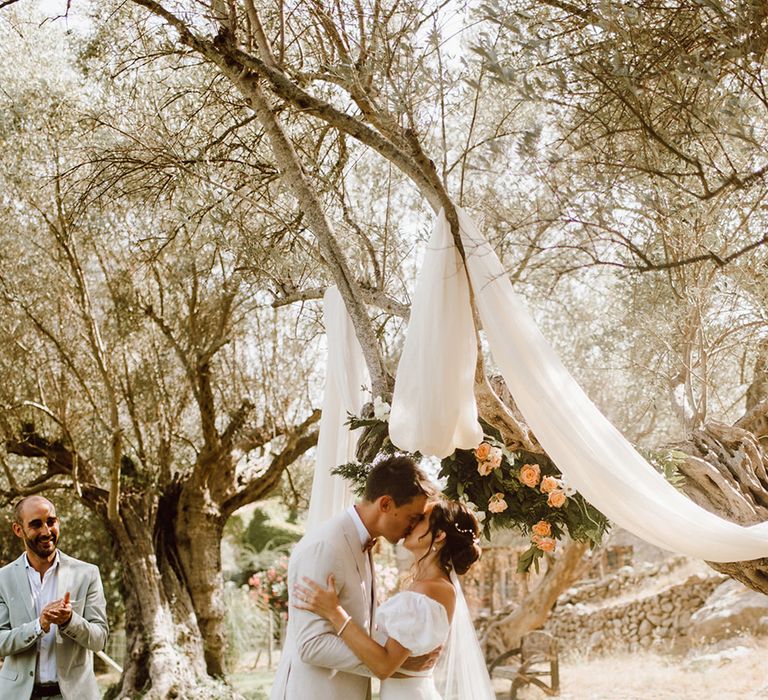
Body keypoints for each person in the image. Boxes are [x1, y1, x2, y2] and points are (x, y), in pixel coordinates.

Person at [269, 454, 438, 700]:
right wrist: (388, 663)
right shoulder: (325, 547)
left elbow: (361, 624)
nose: (413, 527)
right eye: (412, 517)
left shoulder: (362, 542)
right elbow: (311, 645)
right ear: (385, 504)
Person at [293, 498, 496, 700]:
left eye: (421, 519)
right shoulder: (433, 587)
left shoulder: (427, 592)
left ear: (440, 535)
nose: (411, 523)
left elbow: (383, 666)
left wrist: (334, 612)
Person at [0, 496, 109, 700]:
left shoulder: (87, 574)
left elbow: (99, 640)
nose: (46, 531)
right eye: (36, 524)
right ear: (18, 529)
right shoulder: (2, 580)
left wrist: (70, 621)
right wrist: (38, 625)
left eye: (51, 521)